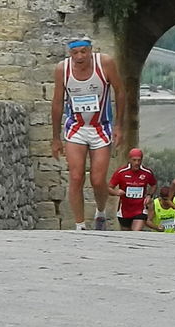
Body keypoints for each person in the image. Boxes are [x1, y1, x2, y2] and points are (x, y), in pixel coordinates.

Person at [51, 34, 125, 231]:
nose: (80, 56)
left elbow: (120, 91)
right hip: (76, 127)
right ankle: (79, 224)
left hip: (101, 127)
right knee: (75, 177)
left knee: (98, 180)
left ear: (91, 51)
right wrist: (55, 137)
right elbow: (57, 102)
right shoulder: (62, 69)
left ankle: (100, 212)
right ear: (70, 54)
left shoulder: (105, 63)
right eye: (75, 53)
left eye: (84, 51)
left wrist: (119, 126)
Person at [108, 148, 157, 231]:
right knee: (126, 236)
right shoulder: (121, 172)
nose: (136, 163)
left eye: (139, 160)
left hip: (140, 209)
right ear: (129, 159)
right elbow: (109, 188)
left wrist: (149, 195)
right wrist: (116, 192)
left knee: (135, 234)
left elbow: (154, 185)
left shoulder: (147, 173)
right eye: (134, 160)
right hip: (124, 210)